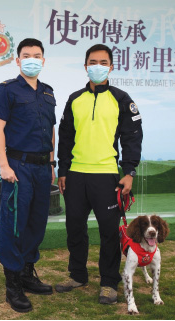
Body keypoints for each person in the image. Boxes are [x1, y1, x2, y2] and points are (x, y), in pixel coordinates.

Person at [56, 44, 143, 304]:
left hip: (106, 176)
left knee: (108, 232)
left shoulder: (122, 98)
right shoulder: (74, 99)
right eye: (93, 62)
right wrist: (62, 170)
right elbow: (65, 139)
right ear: (85, 66)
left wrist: (128, 172)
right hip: (75, 176)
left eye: (103, 62)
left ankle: (108, 282)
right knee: (75, 228)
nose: (97, 66)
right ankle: (78, 275)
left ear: (111, 66)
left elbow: (132, 138)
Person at [0, 38, 56, 313]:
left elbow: (51, 128)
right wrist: (4, 166)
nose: (32, 59)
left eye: (36, 55)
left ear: (43, 60)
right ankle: (13, 284)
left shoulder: (48, 92)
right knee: (14, 224)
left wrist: (52, 162)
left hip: (43, 168)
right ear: (17, 60)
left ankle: (28, 272)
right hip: (18, 168)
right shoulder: (6, 90)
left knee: (37, 222)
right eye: (26, 55)